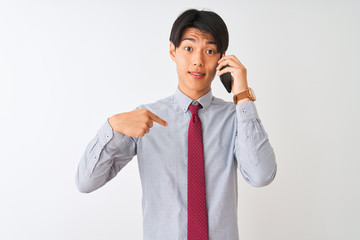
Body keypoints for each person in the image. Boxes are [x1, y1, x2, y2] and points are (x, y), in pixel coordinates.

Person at [76, 8, 277, 240]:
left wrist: (243, 96)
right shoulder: (145, 118)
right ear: (173, 51)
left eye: (209, 51)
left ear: (222, 58)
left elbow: (261, 176)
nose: (198, 61)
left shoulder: (236, 118)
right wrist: (111, 127)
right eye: (189, 48)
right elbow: (86, 182)